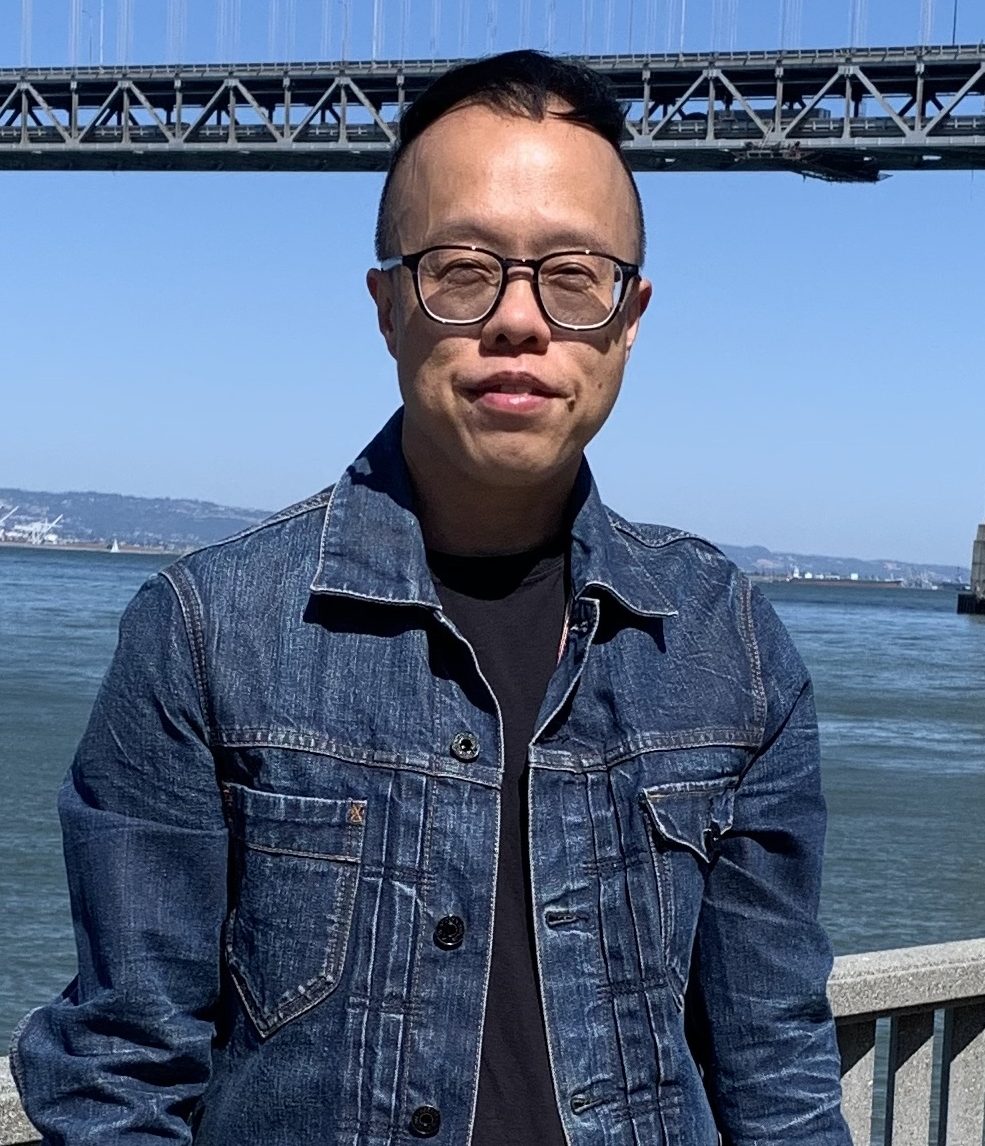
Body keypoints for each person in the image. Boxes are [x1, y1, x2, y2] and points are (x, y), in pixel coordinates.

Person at [11, 50, 851, 1145]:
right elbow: (122, 1073)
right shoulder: (206, 634)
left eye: (574, 275)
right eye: (462, 269)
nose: (517, 319)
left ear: (630, 315)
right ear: (387, 306)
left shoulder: (731, 646)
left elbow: (775, 1064)